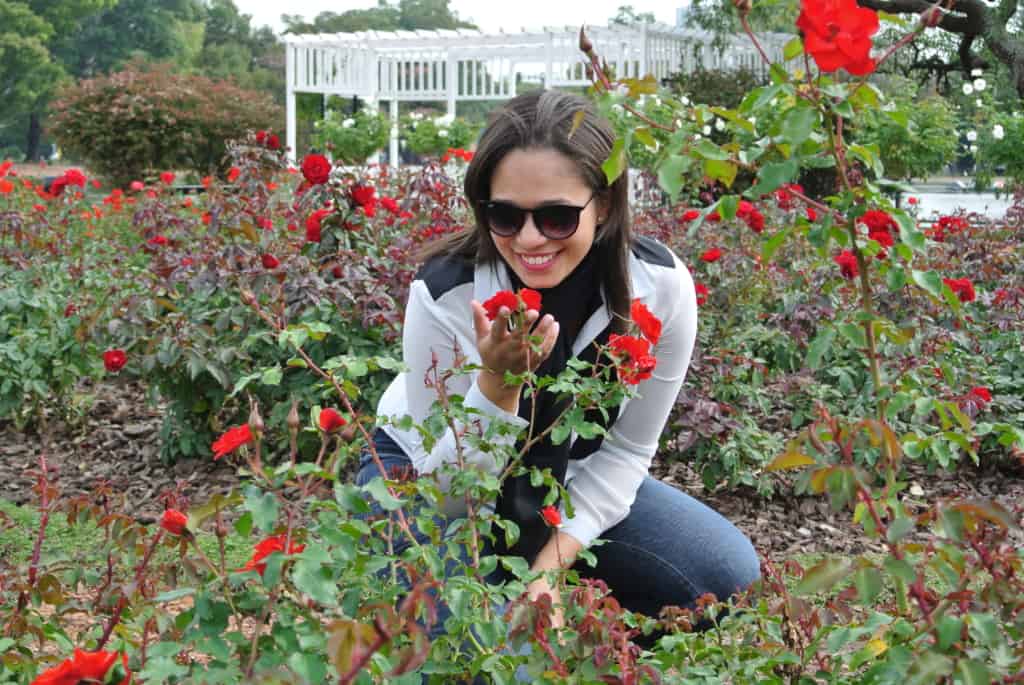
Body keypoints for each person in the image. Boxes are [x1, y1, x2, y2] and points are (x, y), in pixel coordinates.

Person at [356, 89, 759, 639]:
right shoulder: (447, 295)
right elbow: (448, 499)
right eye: (504, 215)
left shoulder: (660, 288)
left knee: (723, 573)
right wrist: (496, 386)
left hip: (566, 477)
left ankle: (586, 625)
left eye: (556, 216)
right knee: (488, 645)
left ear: (606, 205)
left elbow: (626, 453)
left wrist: (547, 570)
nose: (528, 239)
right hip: (423, 478)